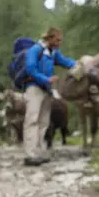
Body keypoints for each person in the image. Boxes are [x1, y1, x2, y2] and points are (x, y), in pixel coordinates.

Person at [23, 27, 79, 166]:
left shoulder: (53, 53)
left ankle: (39, 152)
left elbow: (66, 62)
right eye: (57, 40)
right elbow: (30, 69)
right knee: (32, 120)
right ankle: (30, 154)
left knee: (44, 122)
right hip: (34, 88)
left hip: (46, 90)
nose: (59, 43)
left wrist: (79, 64)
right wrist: (46, 79)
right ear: (50, 38)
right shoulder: (35, 50)